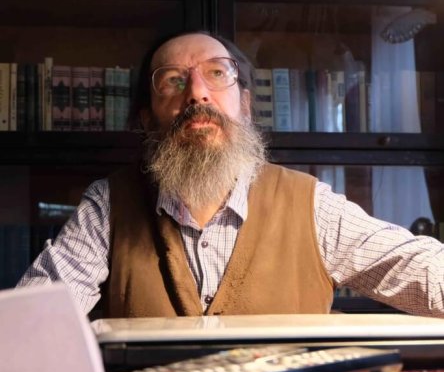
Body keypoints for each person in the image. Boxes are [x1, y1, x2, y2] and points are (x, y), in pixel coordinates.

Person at [17, 31, 444, 318]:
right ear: (147, 119)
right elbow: (35, 319)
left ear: (245, 104)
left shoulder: (309, 204)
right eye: (173, 81)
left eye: (216, 74)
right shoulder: (109, 204)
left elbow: (416, 267)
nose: (197, 93)